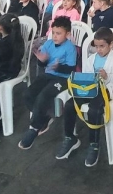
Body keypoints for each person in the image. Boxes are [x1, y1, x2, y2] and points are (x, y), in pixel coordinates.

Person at [56, 27, 113, 167]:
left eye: (102, 46)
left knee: (94, 109)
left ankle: (94, 145)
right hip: (90, 89)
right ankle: (70, 137)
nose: (98, 50)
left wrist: (107, 77)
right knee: (70, 104)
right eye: (96, 46)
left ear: (111, 45)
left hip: (107, 90)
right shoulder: (91, 59)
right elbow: (86, 78)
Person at [18, 16, 77, 150]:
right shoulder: (49, 44)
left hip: (63, 79)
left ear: (67, 34)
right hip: (48, 75)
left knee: (43, 96)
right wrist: (42, 61)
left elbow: (71, 69)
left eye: (59, 33)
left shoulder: (70, 48)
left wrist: (58, 67)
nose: (55, 36)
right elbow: (42, 64)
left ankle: (34, 128)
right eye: (53, 32)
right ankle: (44, 119)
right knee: (28, 94)